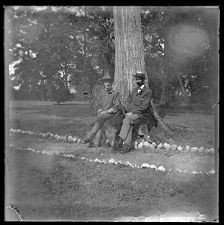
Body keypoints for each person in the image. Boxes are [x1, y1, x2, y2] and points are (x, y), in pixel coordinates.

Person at [118, 71, 155, 154]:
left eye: (139, 79)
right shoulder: (134, 90)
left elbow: (144, 107)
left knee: (127, 118)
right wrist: (125, 106)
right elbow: (129, 101)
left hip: (142, 114)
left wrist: (132, 112)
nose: (137, 81)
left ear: (143, 80)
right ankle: (127, 145)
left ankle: (121, 140)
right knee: (128, 121)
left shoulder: (148, 92)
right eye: (136, 79)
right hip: (133, 114)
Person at [82, 72, 121, 147]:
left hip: (112, 113)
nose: (107, 83)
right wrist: (100, 109)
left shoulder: (115, 93)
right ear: (103, 83)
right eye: (106, 81)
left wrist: (106, 111)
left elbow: (117, 105)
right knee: (100, 117)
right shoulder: (102, 93)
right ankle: (96, 143)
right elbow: (99, 104)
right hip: (103, 114)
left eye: (109, 81)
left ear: (111, 83)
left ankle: (90, 137)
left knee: (101, 117)